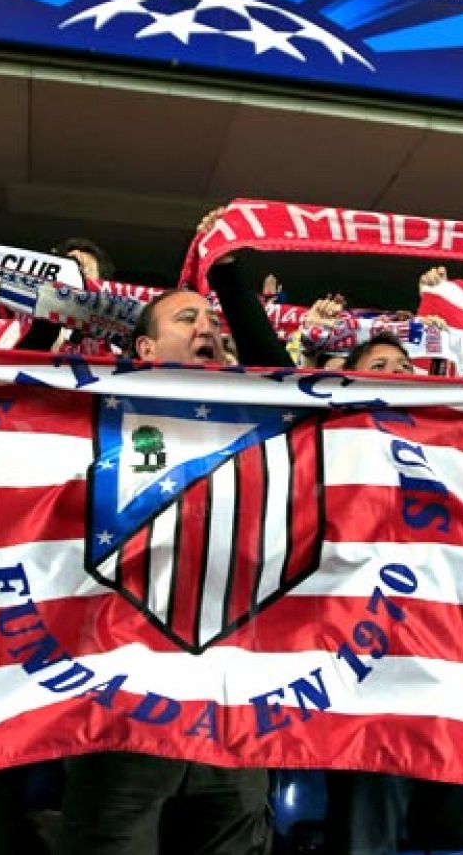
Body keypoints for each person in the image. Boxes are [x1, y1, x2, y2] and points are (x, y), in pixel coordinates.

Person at [55, 288, 269, 855]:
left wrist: (234, 278)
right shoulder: (95, 416)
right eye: (187, 318)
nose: (207, 328)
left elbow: (283, 365)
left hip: (233, 703)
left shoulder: (266, 419)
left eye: (212, 320)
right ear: (145, 346)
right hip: (125, 701)